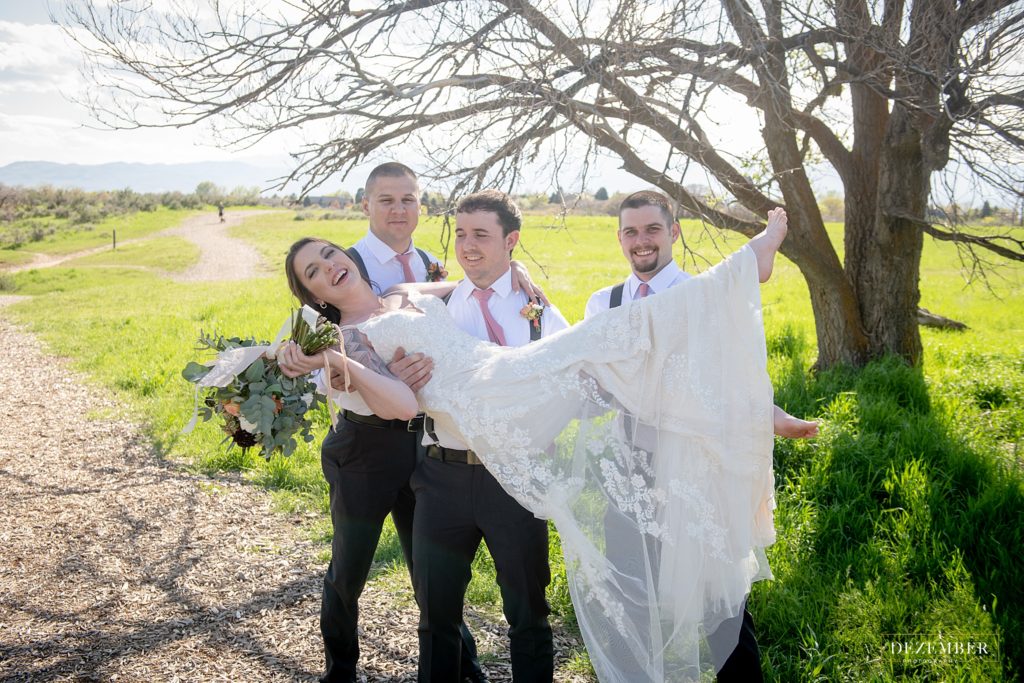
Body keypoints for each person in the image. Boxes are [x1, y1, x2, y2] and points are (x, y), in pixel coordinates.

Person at [279, 205, 792, 682]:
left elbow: (468, 281)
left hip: (500, 381)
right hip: (478, 412)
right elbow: (403, 405)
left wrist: (516, 274)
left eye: (329, 254)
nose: (329, 267)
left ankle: (743, 364)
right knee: (601, 342)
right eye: (314, 273)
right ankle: (744, 285)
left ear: (344, 254)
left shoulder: (404, 293)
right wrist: (334, 363)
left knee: (607, 350)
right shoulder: (347, 341)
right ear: (314, 295)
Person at [584, 191, 817, 682]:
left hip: (695, 467)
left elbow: (733, 380)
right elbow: (593, 382)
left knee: (720, 602)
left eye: (652, 229)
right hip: (630, 468)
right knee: (630, 598)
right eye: (631, 231)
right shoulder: (604, 302)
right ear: (620, 238)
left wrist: (769, 414)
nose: (641, 241)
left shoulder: (704, 296)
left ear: (674, 232)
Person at [296, 161, 485, 683]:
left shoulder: (427, 265)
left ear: (420, 204)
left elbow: (456, 311)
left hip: (425, 444)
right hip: (364, 449)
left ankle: (463, 666)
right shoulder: (339, 266)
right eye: (386, 199)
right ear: (366, 205)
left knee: (432, 571)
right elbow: (317, 366)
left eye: (408, 198)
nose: (399, 209)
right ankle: (340, 671)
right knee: (349, 569)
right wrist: (356, 375)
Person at [389, 191, 568, 682]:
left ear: (511, 240)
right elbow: (391, 299)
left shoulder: (543, 316)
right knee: (436, 615)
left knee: (528, 612)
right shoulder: (436, 307)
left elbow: (573, 383)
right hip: (442, 476)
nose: (467, 246)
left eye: (481, 235)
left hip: (514, 479)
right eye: (460, 234)